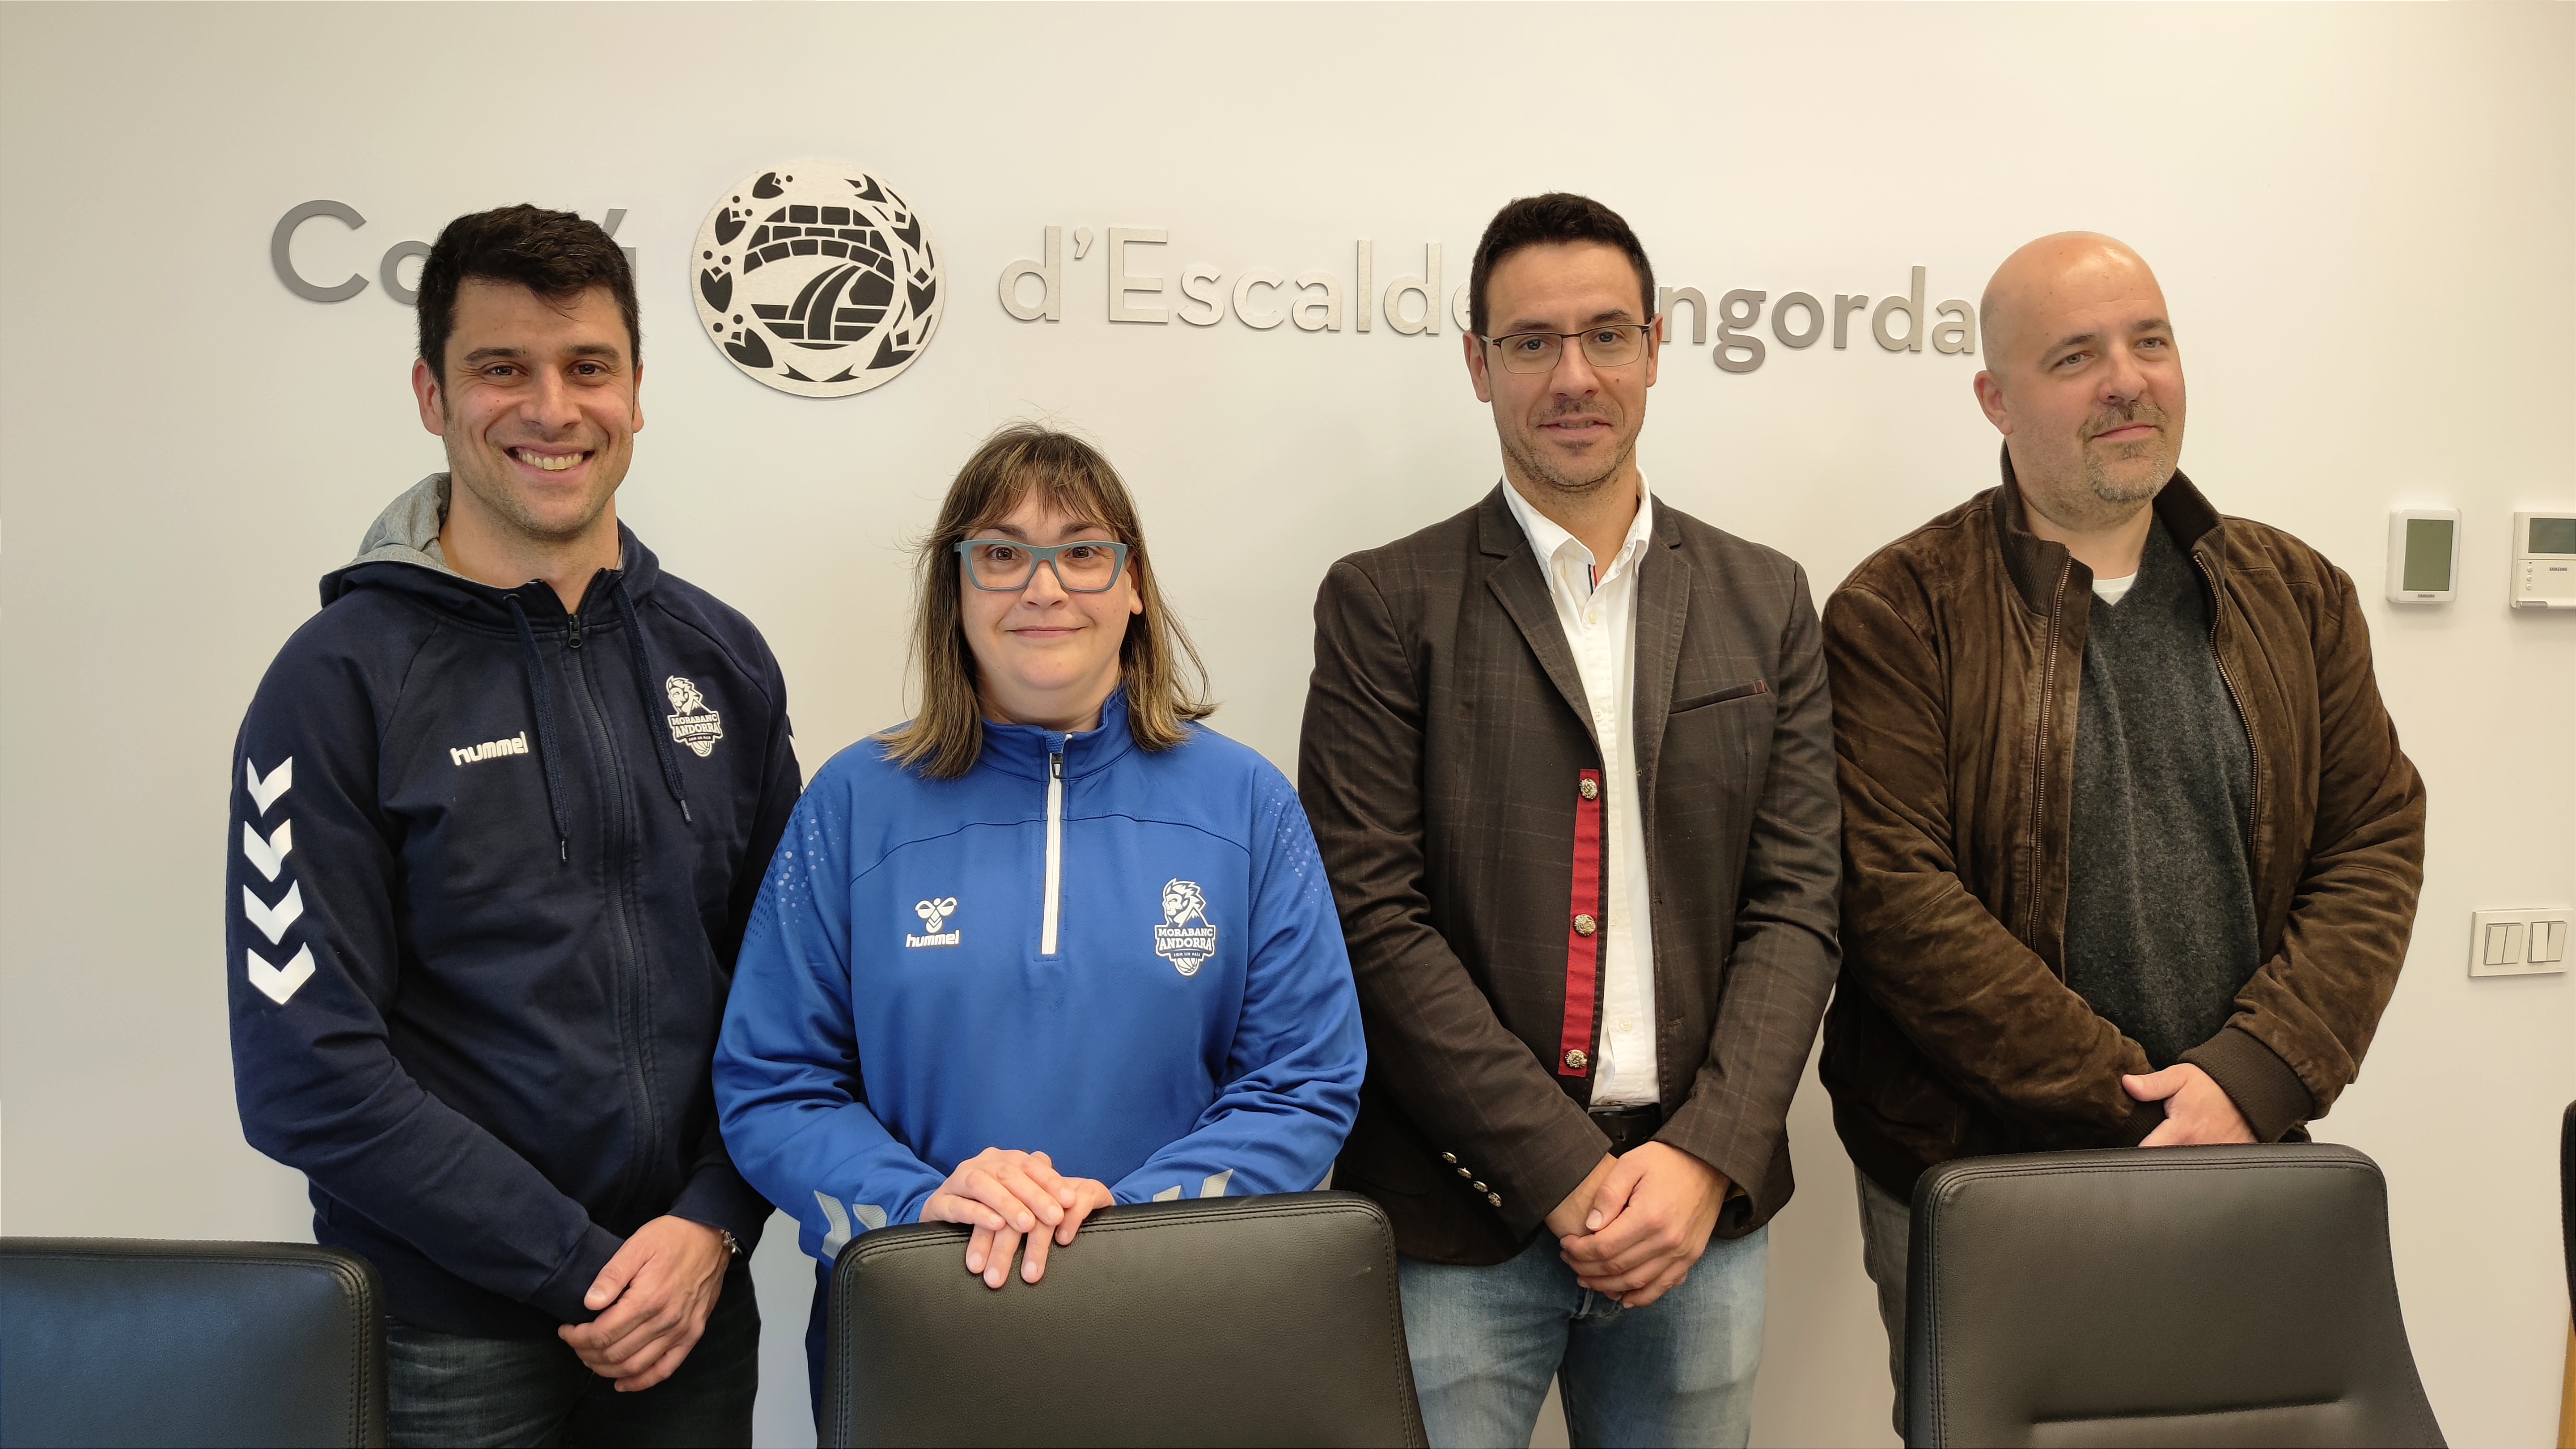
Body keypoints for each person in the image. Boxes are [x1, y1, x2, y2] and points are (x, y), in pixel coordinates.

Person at [1820, 232, 2427, 1428]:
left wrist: (2249, 1080)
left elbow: (2373, 840)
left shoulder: (2298, 595)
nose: (2127, 381)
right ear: (1995, 399)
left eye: (2151, 342)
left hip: (2246, 1159)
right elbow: (1897, 898)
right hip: (1985, 1184)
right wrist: (2158, 1111)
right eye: (2075, 357)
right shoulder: (1900, 611)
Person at [225, 205, 799, 1447]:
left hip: (691, 1308)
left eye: (588, 367)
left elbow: (791, 1000)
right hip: (451, 1335)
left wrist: (711, 1224)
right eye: (502, 369)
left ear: (635, 393)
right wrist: (579, 1269)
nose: (552, 407)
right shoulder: (337, 681)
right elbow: (303, 1076)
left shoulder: (724, 661)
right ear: (432, 395)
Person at [1299, 194, 1841, 1449]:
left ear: (1657, 346)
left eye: (1607, 335)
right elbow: (1371, 919)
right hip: (1460, 1216)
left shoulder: (1766, 599)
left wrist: (1704, 1155)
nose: (1575, 376)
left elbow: (1800, 903)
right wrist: (1564, 1172)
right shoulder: (1386, 603)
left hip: (1698, 1214)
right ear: (1478, 364)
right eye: (1532, 342)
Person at [713, 424, 1366, 1422]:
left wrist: (1126, 1222)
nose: (1044, 587)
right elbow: (774, 1083)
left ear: (1134, 585)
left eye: (1083, 552)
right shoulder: (852, 803)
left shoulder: (1246, 803)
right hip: (917, 1327)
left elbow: (1306, 1079)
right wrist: (924, 1204)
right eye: (1002, 554)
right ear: (956, 590)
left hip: (1183, 1325)